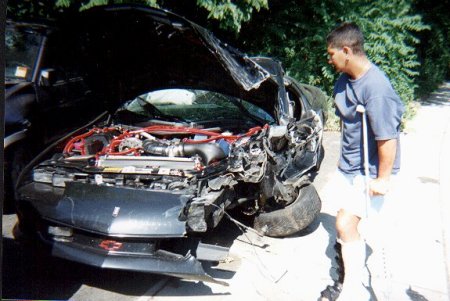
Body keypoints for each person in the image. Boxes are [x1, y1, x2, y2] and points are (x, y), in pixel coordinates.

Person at [319, 22, 405, 301]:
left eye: (332, 54)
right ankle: (348, 281)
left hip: (369, 171)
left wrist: (383, 178)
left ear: (347, 50)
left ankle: (356, 290)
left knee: (345, 224)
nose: (329, 60)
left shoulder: (376, 88)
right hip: (349, 167)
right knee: (345, 226)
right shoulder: (344, 79)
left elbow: (387, 139)